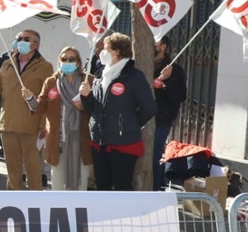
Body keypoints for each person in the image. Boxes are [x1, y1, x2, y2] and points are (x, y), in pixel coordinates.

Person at [80, 32, 157, 191]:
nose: (101, 52)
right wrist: (86, 96)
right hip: (99, 141)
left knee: (122, 186)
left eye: (105, 49)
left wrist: (130, 123)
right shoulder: (100, 74)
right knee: (102, 185)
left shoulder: (133, 76)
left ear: (117, 51)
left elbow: (149, 108)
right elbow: (93, 108)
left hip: (124, 143)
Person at [0, 29, 54, 190]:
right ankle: (14, 202)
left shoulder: (45, 67)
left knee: (33, 168)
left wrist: (43, 125)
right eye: (18, 38)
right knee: (12, 169)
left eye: (25, 38)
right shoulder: (8, 64)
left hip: (31, 126)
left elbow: (47, 98)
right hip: (8, 124)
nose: (20, 41)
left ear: (35, 44)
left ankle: (35, 204)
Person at [37, 47, 93, 191]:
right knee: (57, 185)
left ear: (78, 62)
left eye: (71, 59)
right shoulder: (51, 82)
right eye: (64, 59)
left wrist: (85, 102)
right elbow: (39, 107)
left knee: (81, 185)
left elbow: (98, 108)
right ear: (59, 61)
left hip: (81, 141)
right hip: (58, 141)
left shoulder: (88, 81)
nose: (67, 62)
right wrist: (29, 98)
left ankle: (78, 211)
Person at [153, 35, 187, 190]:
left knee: (153, 157)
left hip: (160, 120)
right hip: (139, 119)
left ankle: (154, 189)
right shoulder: (141, 65)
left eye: (155, 42)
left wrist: (165, 82)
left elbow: (180, 96)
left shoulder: (174, 70)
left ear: (163, 46)